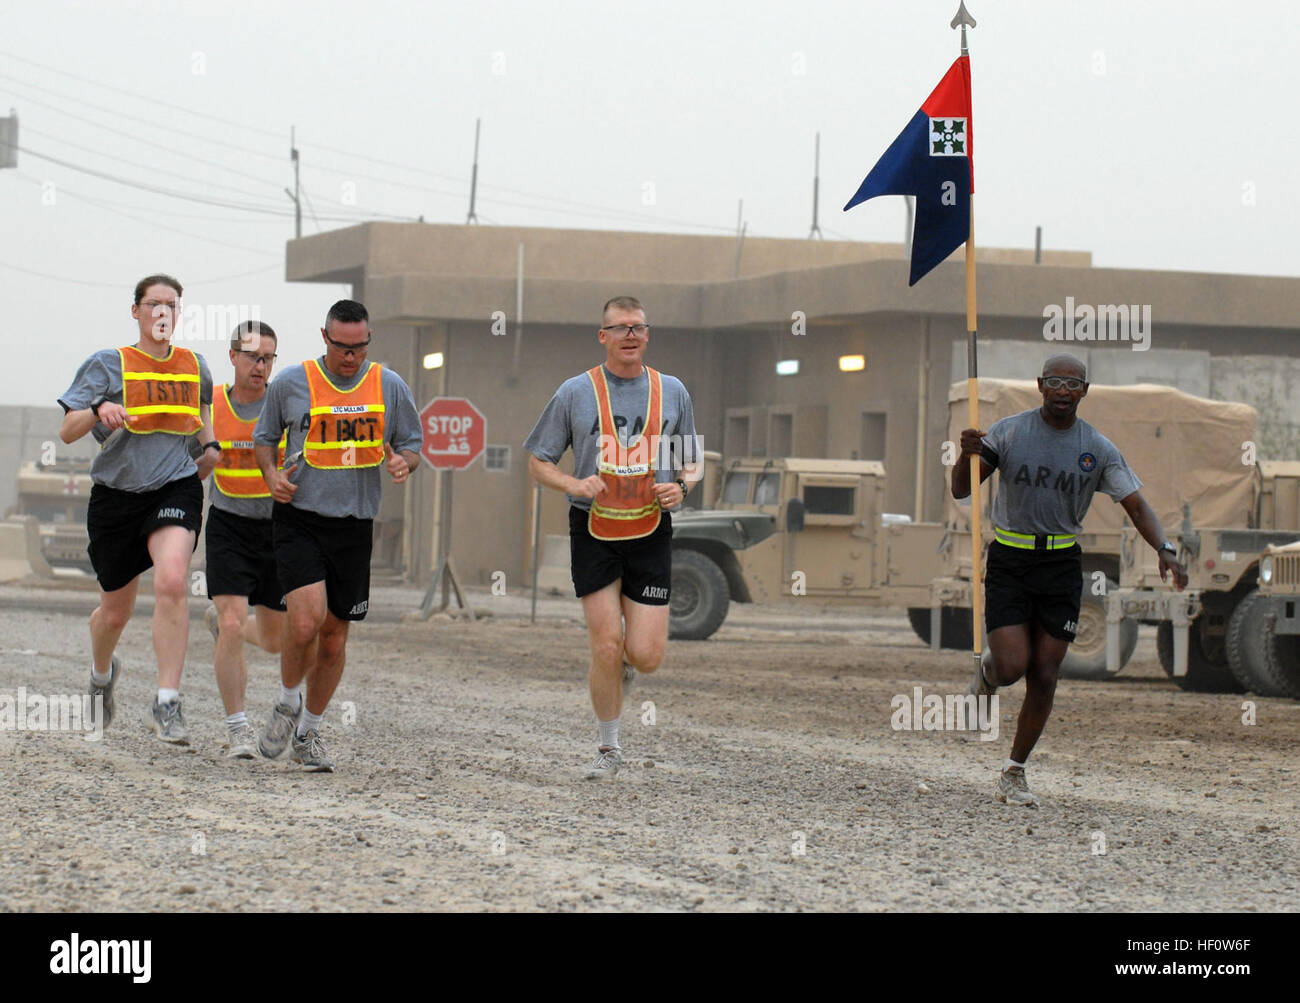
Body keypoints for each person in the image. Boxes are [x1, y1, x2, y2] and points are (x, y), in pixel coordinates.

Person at [952, 354, 1188, 806]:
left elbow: (1136, 505)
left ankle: (1014, 772)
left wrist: (1166, 550)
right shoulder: (1009, 433)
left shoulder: (1096, 448)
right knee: (1012, 666)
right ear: (1040, 384)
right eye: (1055, 382)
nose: (1063, 390)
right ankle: (986, 673)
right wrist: (967, 456)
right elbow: (963, 490)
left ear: (1085, 391)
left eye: (1072, 384)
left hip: (1061, 567)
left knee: (1046, 672)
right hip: (1010, 561)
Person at [525, 295, 700, 781]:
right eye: (619, 328)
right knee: (605, 645)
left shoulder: (674, 392)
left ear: (647, 335)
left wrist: (682, 486)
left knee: (645, 656)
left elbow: (693, 460)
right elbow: (538, 461)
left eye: (637, 328)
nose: (629, 335)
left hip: (650, 527)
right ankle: (608, 749)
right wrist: (573, 484)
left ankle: (622, 667)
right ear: (602, 336)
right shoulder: (574, 393)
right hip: (594, 526)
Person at [252, 299, 421, 772]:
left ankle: (309, 733)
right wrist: (270, 476)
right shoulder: (291, 382)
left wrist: (404, 463)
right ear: (324, 337)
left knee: (332, 638)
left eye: (359, 347)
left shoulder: (388, 385)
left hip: (355, 523)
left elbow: (412, 444)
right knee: (305, 621)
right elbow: (264, 439)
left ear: (368, 341)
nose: (351, 356)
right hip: (299, 516)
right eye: (342, 346)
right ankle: (287, 702)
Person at [58, 274, 218, 744]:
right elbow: (68, 430)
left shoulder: (196, 365)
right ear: (136, 311)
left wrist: (209, 448)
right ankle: (102, 675)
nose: (162, 312)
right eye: (154, 304)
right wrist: (100, 408)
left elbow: (201, 412)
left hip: (175, 486)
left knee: (172, 580)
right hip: (116, 495)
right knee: (114, 613)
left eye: (171, 304)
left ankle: (167, 700)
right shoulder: (109, 363)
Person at [202, 320, 291, 758]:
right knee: (234, 621)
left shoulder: (285, 405)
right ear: (233, 356)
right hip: (228, 525)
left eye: (268, 358)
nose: (260, 366)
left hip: (277, 529)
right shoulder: (213, 402)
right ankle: (238, 730)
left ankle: (219, 626)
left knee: (275, 641)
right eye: (253, 356)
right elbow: (188, 453)